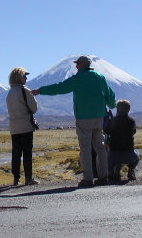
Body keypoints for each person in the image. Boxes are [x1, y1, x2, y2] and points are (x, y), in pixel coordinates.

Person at [32, 55, 116, 188]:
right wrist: (112, 105)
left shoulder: (78, 78)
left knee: (85, 148)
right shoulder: (100, 77)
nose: (76, 66)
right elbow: (110, 94)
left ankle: (88, 178)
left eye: (78, 64)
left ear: (83, 64)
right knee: (100, 147)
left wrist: (40, 91)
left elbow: (60, 87)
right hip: (99, 117)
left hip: (83, 118)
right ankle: (103, 176)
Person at [6, 67, 39, 186]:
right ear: (20, 77)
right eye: (24, 76)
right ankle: (28, 178)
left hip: (14, 128)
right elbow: (34, 108)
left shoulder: (9, 92)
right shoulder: (24, 90)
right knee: (27, 153)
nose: (26, 78)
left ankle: (16, 178)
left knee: (16, 153)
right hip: (25, 126)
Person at [104, 100, 139, 181]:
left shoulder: (113, 121)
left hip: (113, 155)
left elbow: (106, 131)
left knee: (106, 155)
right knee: (137, 155)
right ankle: (131, 171)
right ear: (128, 109)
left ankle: (111, 172)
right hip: (129, 155)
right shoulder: (131, 121)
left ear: (117, 109)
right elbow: (133, 131)